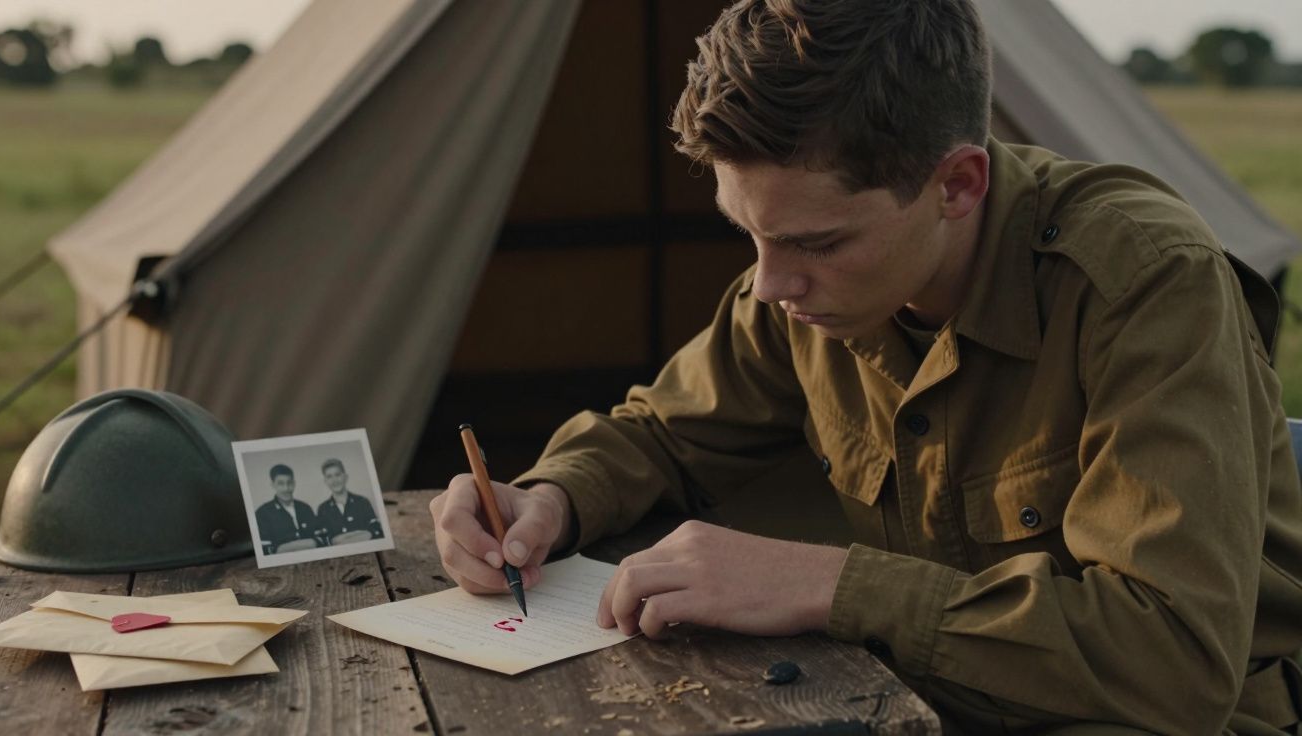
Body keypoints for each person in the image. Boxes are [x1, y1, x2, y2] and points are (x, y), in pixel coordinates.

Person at [429, 1, 1302, 732]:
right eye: (750, 235)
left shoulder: (1144, 284)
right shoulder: (810, 290)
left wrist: (830, 584)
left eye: (815, 241)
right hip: (919, 701)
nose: (770, 284)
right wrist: (550, 498)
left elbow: (1175, 663)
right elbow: (664, 432)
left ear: (958, 186)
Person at [255, 463, 323, 554]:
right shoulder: (262, 513)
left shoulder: (305, 508)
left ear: (294, 483)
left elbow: (320, 540)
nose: (286, 488)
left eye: (289, 483)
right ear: (273, 485)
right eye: (280, 483)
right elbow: (265, 550)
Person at [316, 458, 384, 544]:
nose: (334, 480)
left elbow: (376, 530)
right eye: (329, 476)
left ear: (345, 477)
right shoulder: (323, 509)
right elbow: (325, 539)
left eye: (337, 475)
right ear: (325, 481)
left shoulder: (362, 502)